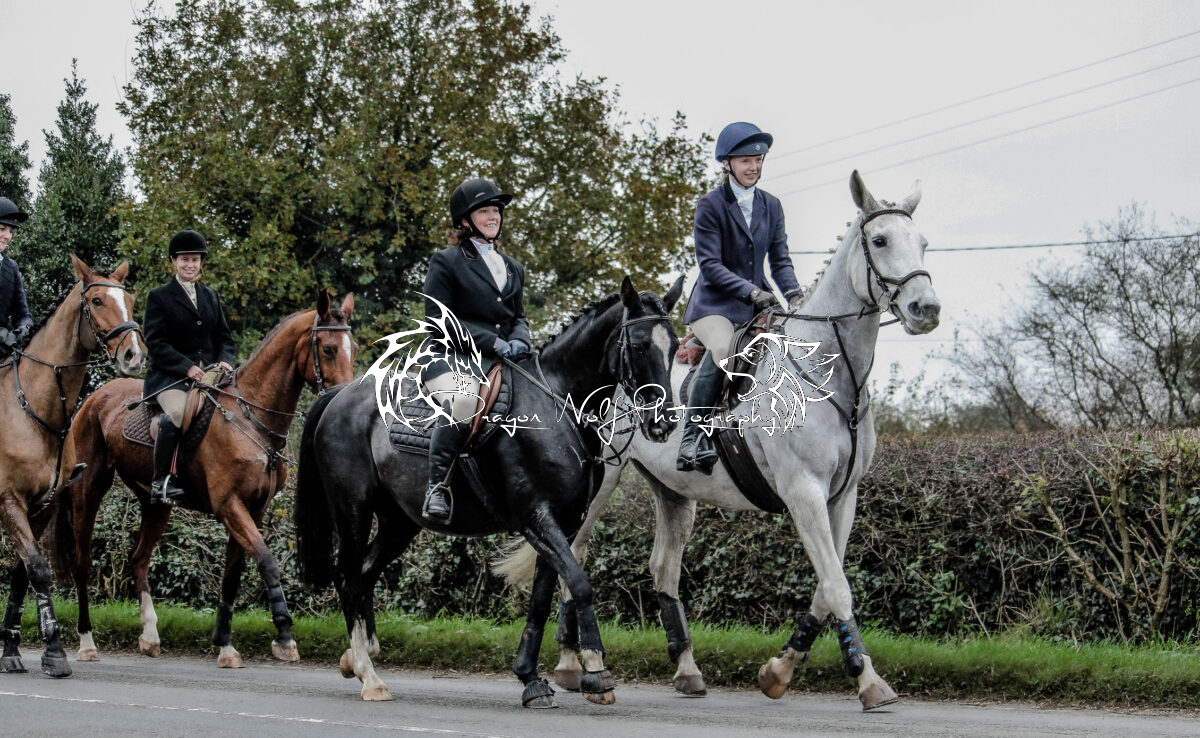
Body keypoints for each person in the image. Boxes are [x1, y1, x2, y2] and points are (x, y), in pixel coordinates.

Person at [676, 122, 805, 474]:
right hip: (713, 305)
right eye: (746, 161)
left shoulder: (772, 206)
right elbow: (710, 265)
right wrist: (751, 291)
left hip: (757, 304)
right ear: (727, 163)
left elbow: (780, 261)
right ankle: (692, 438)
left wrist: (794, 296)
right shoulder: (710, 205)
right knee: (724, 348)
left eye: (758, 160)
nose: (754, 167)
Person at [420, 177, 532, 524]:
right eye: (484, 211)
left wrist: (521, 339)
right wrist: (492, 342)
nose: (493, 216)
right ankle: (437, 486)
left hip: (502, 358)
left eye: (496, 210)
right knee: (464, 400)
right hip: (450, 355)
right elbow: (438, 319)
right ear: (465, 220)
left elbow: (519, 316)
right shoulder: (446, 261)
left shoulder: (513, 267)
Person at [142, 230, 236, 504]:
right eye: (184, 259)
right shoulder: (158, 297)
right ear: (174, 261)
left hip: (211, 375)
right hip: (171, 378)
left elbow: (225, 338)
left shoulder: (210, 296)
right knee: (176, 413)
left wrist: (226, 360)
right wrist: (186, 367)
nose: (190, 265)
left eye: (195, 260)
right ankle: (160, 482)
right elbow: (156, 343)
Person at [0, 197, 34, 358]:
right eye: (2, 229)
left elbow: (22, 313)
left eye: (11, 231)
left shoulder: (11, 267)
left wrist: (25, 328)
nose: (7, 236)